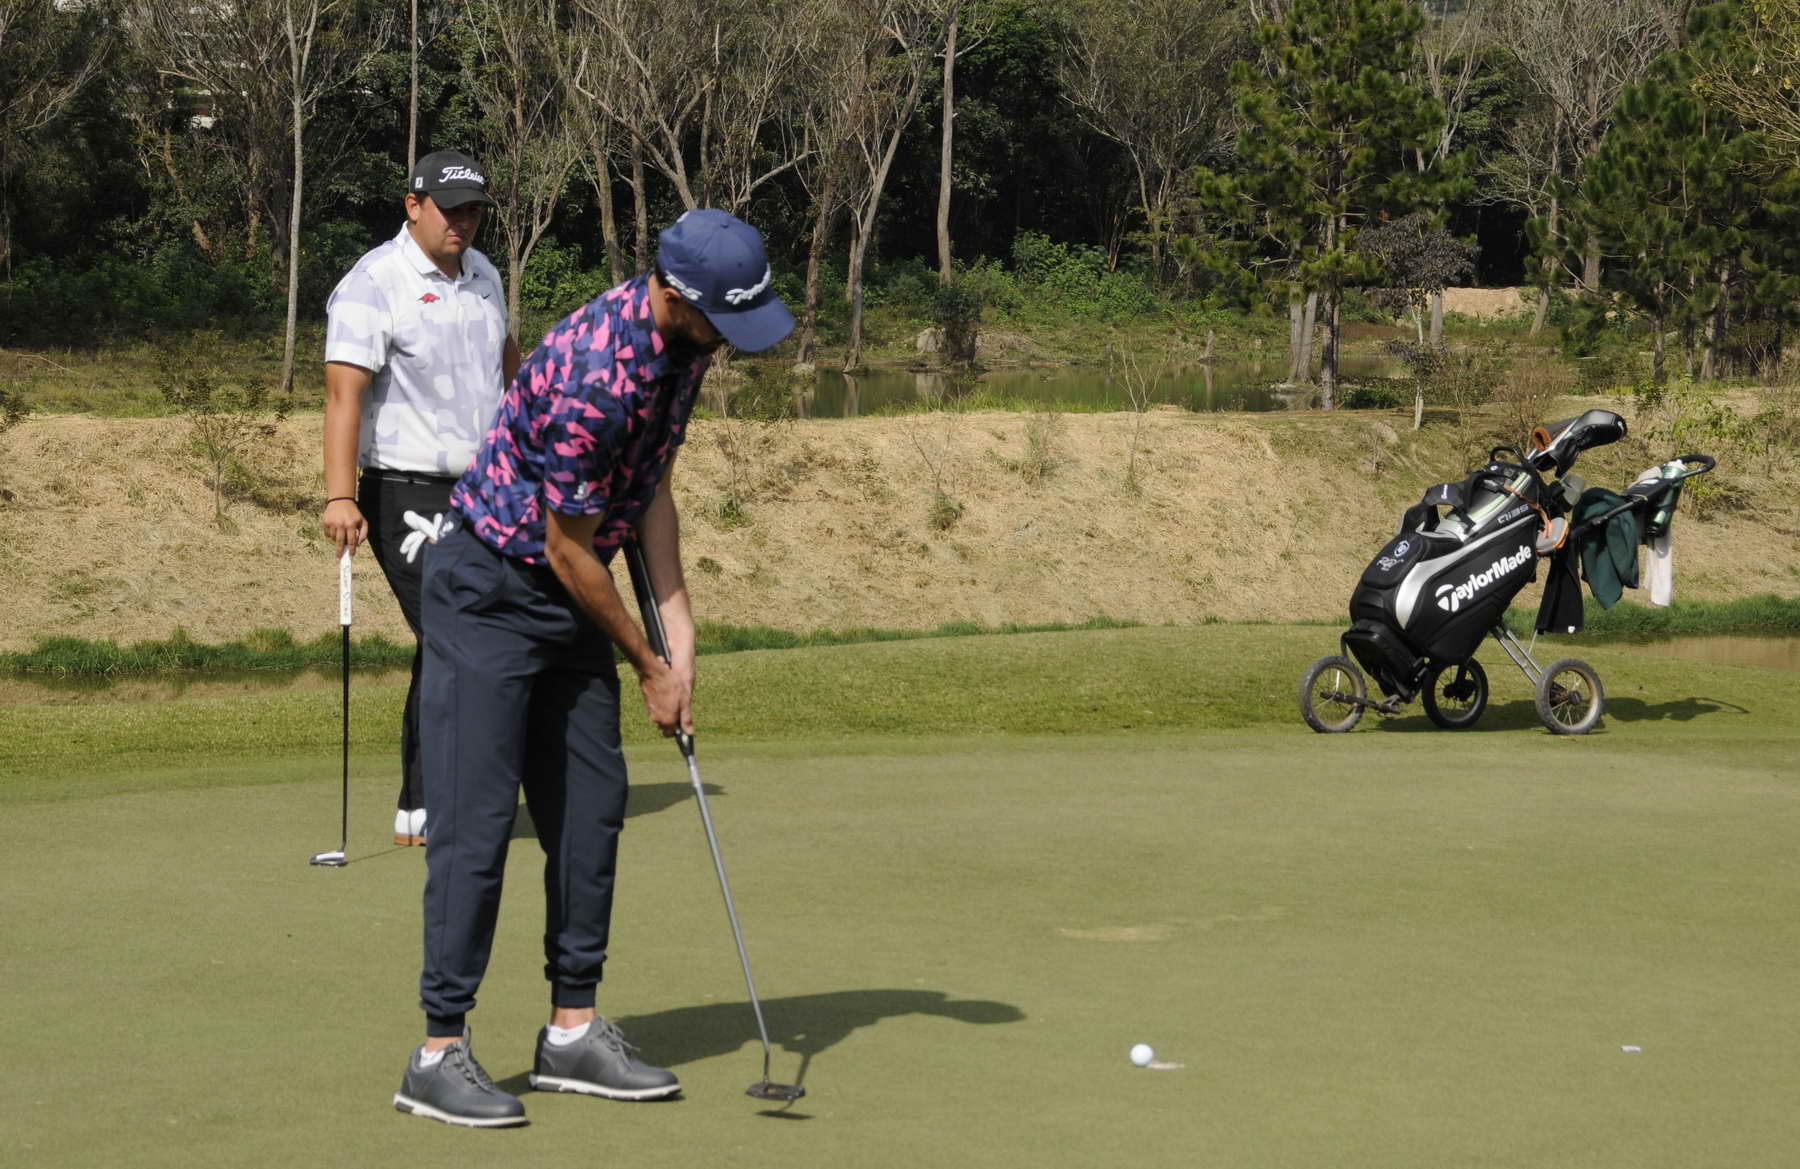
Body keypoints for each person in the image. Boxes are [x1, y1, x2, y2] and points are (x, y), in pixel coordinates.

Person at [391, 209, 795, 1128]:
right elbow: (567, 548)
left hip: (571, 593)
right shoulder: (594, 370)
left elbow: (650, 490)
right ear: (676, 295)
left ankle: (571, 1032)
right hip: (490, 589)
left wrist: (679, 630)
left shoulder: (689, 348)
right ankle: (437, 1052)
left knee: (590, 806)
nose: (731, 339)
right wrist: (647, 662)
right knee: (477, 824)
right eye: (724, 319)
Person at [321, 150, 519, 848]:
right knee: (453, 634)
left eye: (473, 210)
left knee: (477, 635)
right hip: (404, 490)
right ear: (413, 205)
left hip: (487, 488)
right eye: (450, 208)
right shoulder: (373, 283)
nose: (462, 221)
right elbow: (343, 394)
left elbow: (507, 368)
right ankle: (430, 797)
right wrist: (340, 495)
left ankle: (438, 795)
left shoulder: (485, 274)